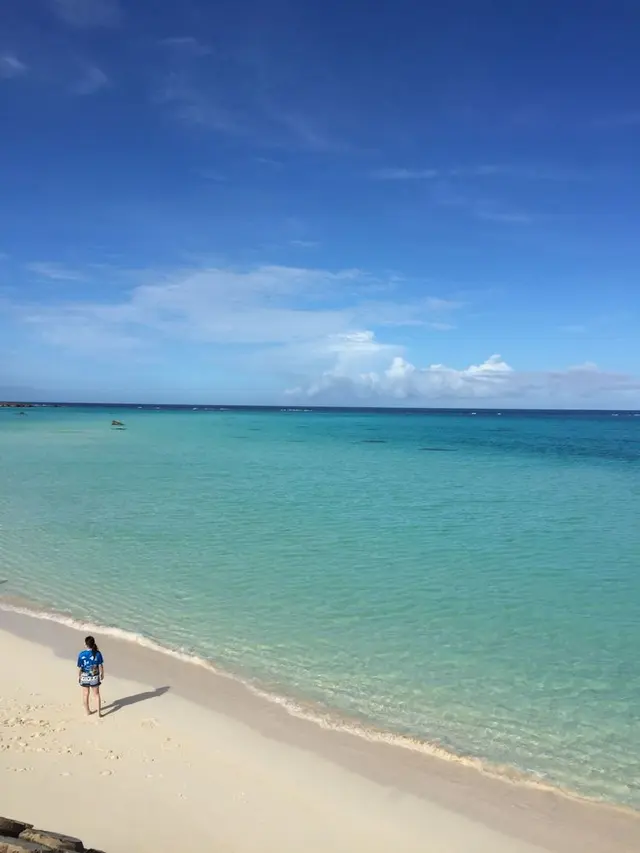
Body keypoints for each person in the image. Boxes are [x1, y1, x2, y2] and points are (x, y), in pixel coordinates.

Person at [77, 635, 104, 717]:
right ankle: (99, 713)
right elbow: (100, 665)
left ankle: (87, 712)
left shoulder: (81, 654)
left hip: (85, 676)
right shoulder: (98, 653)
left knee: (85, 694)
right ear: (93, 644)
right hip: (95, 677)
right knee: (96, 694)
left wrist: (79, 676)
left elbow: (80, 667)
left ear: (85, 644)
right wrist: (102, 673)